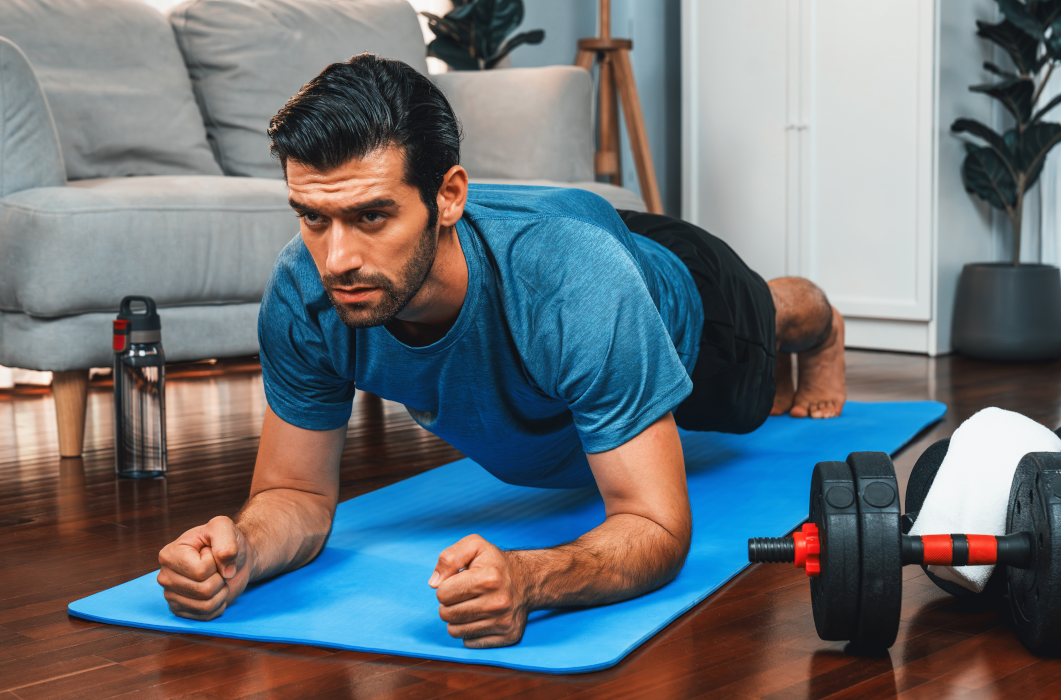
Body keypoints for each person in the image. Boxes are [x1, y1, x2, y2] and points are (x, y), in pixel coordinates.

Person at [155, 54, 845, 649]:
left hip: (674, 289)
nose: (337, 259)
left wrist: (530, 577)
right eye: (313, 217)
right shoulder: (303, 291)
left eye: (371, 216)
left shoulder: (574, 286)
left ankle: (818, 319)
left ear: (449, 196)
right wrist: (243, 549)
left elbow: (656, 524)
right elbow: (295, 493)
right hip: (557, 242)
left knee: (764, 331)